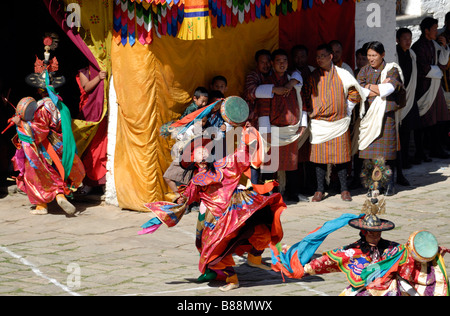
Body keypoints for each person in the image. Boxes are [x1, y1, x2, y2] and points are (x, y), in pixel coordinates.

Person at [139, 120, 286, 292]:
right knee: (207, 249)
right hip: (211, 217)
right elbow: (186, 198)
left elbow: (241, 154)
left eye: (204, 153)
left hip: (230, 212)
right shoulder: (196, 181)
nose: (202, 156)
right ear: (194, 161)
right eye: (198, 155)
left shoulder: (223, 165)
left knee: (247, 232)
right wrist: (163, 215)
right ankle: (222, 276)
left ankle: (244, 267)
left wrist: (246, 132)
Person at [303, 44, 364, 202]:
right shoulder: (313, 76)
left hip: (339, 123)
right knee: (319, 159)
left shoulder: (343, 74)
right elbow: (305, 96)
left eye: (322, 56)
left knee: (342, 158)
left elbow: (355, 92)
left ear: (331, 56)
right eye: (317, 56)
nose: (319, 59)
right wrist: (311, 112)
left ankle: (344, 189)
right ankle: (320, 190)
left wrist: (347, 109)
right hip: (319, 124)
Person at [257, 49, 307, 202]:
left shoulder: (294, 82)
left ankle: (293, 193)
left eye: (284, 61)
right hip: (273, 128)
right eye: (278, 61)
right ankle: (265, 193)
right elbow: (263, 108)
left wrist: (303, 123)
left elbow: (301, 103)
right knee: (269, 163)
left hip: (290, 129)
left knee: (291, 163)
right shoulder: (268, 84)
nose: (281, 64)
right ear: (272, 63)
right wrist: (266, 131)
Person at [357, 41, 404, 196]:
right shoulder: (363, 71)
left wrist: (369, 87)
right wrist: (375, 88)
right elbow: (360, 92)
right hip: (369, 117)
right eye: (369, 56)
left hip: (386, 116)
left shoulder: (391, 70)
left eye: (374, 55)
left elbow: (388, 89)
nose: (371, 59)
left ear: (382, 55)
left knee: (386, 154)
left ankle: (389, 184)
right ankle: (374, 186)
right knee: (370, 156)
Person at [412, 17, 450, 160]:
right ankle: (420, 152)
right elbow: (424, 69)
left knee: (437, 119)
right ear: (426, 30)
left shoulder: (434, 44)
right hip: (425, 88)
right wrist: (439, 70)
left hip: (435, 87)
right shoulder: (418, 46)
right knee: (423, 120)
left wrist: (445, 47)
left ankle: (435, 148)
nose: (436, 31)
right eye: (434, 29)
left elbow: (443, 63)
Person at [395, 28, 421, 185]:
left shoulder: (412, 55)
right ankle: (400, 161)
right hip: (401, 98)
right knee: (399, 131)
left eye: (409, 38)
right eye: (404, 38)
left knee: (408, 130)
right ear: (398, 40)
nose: (408, 41)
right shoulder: (396, 55)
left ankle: (406, 159)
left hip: (410, 97)